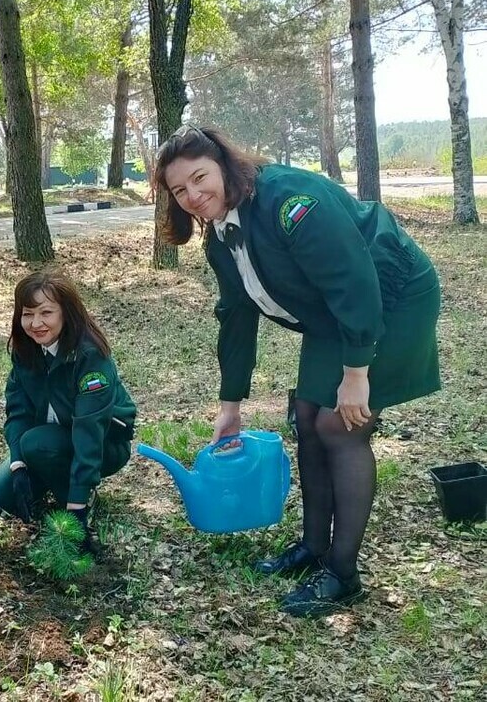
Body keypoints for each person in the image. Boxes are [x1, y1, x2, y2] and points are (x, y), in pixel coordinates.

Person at [154, 125, 441, 618]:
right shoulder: (221, 239)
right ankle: (312, 547)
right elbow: (236, 318)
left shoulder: (290, 201)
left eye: (200, 178)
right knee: (307, 416)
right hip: (333, 312)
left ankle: (343, 574)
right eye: (180, 190)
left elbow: (353, 281)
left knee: (340, 424)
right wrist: (231, 407)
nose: (193, 196)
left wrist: (357, 374)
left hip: (390, 296)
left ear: (225, 164)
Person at [0, 271, 137, 551]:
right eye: (28, 314)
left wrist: (75, 511)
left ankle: (79, 495)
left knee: (36, 444)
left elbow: (90, 435)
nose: (36, 323)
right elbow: (17, 412)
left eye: (46, 312)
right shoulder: (25, 351)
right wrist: (17, 465)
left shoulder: (90, 357)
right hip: (48, 442)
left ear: (66, 313)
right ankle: (49, 476)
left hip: (104, 445)